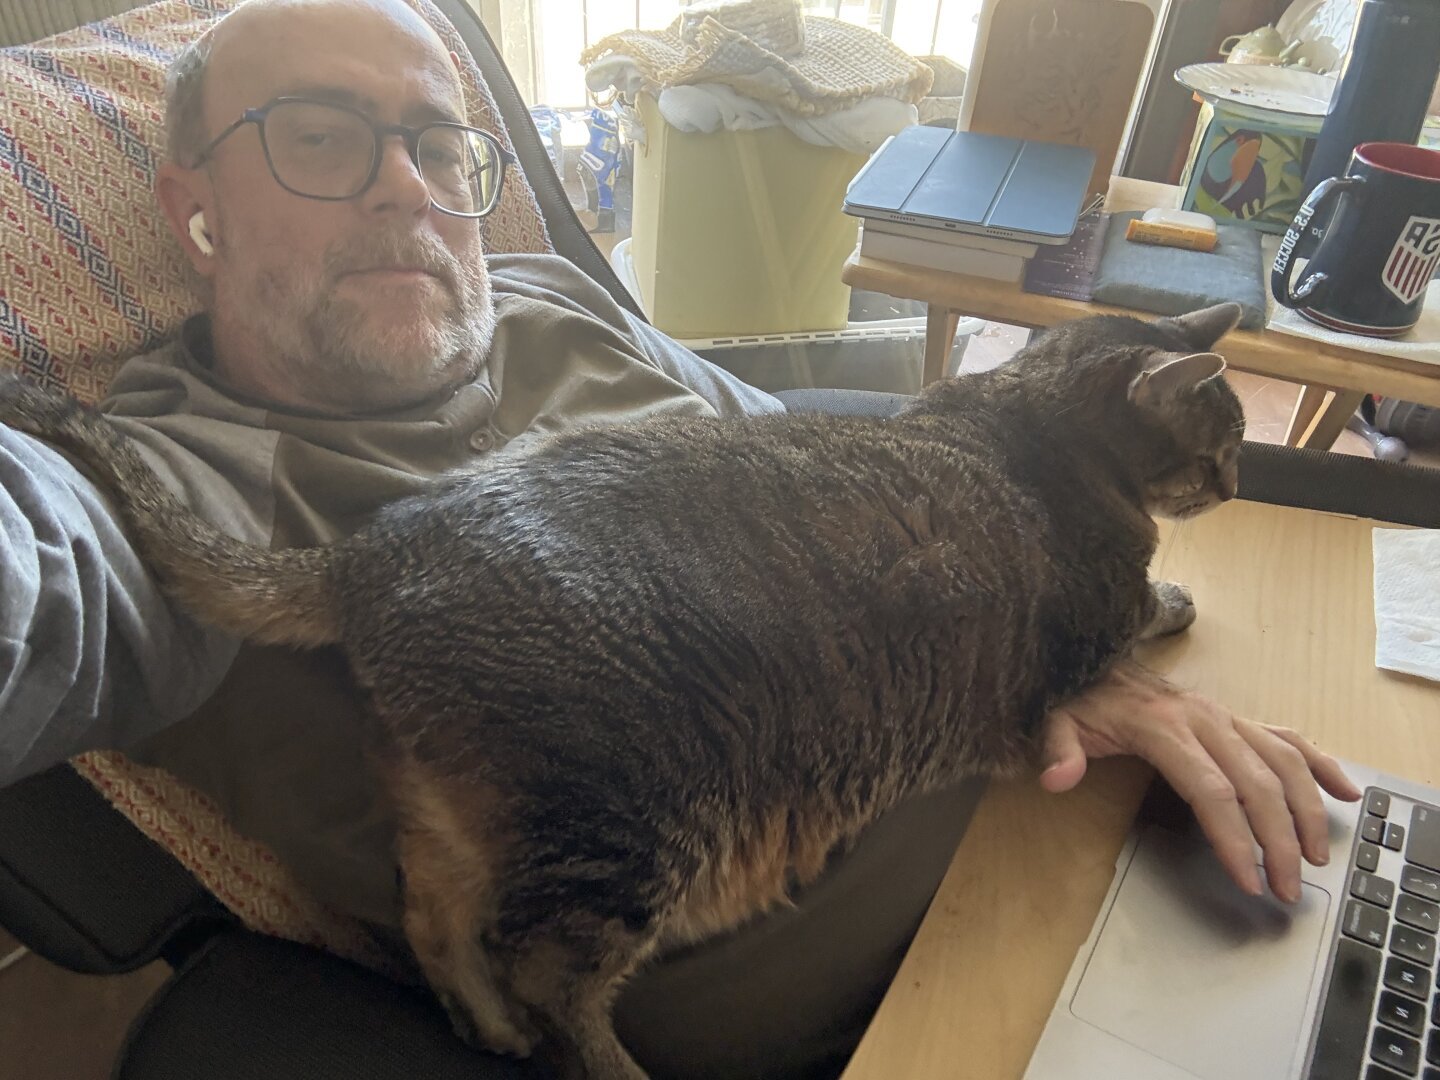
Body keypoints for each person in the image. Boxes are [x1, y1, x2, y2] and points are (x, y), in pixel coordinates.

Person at [0, 0, 1357, 1072]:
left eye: (437, 141)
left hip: (1081, 801)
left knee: (1371, 920)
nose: (406, 188)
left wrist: (1078, 665)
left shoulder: (541, 295)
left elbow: (828, 477)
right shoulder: (155, 488)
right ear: (194, 211)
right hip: (915, 1008)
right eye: (319, 136)